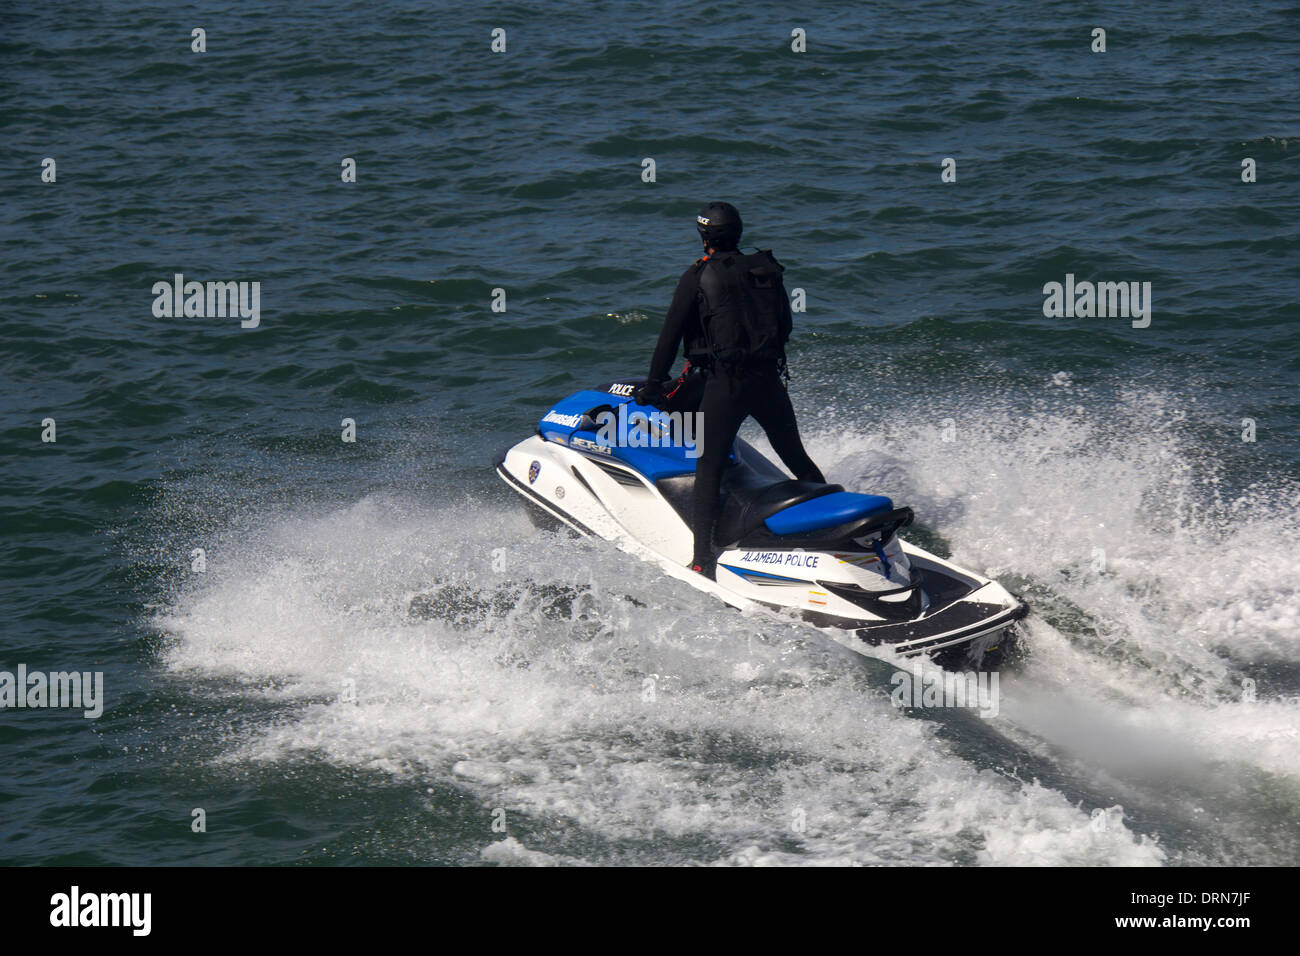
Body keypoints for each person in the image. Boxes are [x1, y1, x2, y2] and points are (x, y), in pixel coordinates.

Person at [636, 201, 825, 579]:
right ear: (738, 234)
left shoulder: (697, 276)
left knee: (709, 466)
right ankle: (832, 523)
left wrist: (654, 386)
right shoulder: (765, 271)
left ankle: (704, 559)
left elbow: (669, 338)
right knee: (795, 456)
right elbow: (784, 325)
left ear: (704, 236)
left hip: (725, 384)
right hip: (769, 380)